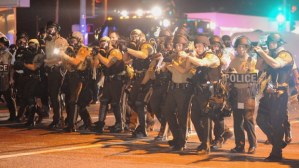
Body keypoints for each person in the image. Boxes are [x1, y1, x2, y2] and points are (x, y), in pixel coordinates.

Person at [255, 33, 294, 162]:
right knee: (260, 120)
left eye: (272, 42)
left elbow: (276, 65)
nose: (270, 45)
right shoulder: (270, 55)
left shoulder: (285, 54)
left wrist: (264, 54)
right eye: (269, 42)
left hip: (279, 95)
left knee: (277, 124)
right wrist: (260, 55)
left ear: (278, 43)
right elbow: (258, 67)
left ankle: (276, 152)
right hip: (268, 94)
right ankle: (278, 142)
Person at [185, 35, 221, 154]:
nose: (197, 48)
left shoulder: (212, 57)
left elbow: (202, 63)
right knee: (195, 117)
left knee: (207, 119)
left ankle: (207, 145)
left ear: (205, 46)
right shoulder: (199, 57)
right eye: (196, 46)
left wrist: (188, 57)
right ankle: (204, 141)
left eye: (199, 46)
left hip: (209, 93)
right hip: (198, 92)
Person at [120, 29, 155, 138]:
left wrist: (128, 49)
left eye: (136, 36)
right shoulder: (134, 48)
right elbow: (125, 60)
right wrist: (124, 49)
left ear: (141, 36)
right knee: (131, 101)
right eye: (132, 36)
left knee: (140, 102)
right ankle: (149, 119)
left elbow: (143, 55)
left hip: (146, 76)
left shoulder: (146, 45)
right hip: (137, 76)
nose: (133, 38)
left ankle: (143, 129)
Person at [228, 36, 257, 154]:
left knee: (248, 120)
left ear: (247, 48)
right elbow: (229, 76)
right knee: (237, 120)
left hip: (247, 94)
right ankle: (239, 145)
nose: (240, 49)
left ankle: (253, 145)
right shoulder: (234, 61)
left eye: (243, 47)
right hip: (237, 94)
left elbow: (254, 77)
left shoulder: (252, 61)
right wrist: (230, 73)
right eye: (238, 47)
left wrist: (239, 75)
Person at [164, 34, 193, 151]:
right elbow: (174, 71)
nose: (178, 47)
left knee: (182, 115)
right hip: (174, 88)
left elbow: (183, 70)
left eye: (180, 45)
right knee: (167, 111)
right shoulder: (175, 57)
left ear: (184, 46)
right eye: (176, 45)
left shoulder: (189, 57)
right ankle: (177, 137)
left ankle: (181, 142)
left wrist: (172, 63)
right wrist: (167, 64)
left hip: (184, 89)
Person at [60, 31, 91, 132]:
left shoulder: (84, 49)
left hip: (81, 78)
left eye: (74, 39)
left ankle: (71, 125)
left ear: (79, 39)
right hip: (70, 76)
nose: (72, 41)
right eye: (71, 39)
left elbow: (76, 62)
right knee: (75, 102)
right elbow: (65, 63)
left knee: (75, 100)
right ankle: (87, 123)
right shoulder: (70, 49)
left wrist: (64, 56)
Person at [95, 36, 126, 133]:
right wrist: (96, 55)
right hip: (108, 79)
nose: (102, 44)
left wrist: (98, 55)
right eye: (101, 42)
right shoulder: (104, 52)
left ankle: (119, 124)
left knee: (115, 102)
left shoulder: (115, 52)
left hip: (117, 79)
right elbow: (96, 65)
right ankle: (100, 124)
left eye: (104, 42)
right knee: (104, 101)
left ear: (109, 43)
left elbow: (108, 63)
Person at [44, 21, 68, 129]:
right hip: (50, 70)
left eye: (52, 28)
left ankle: (62, 119)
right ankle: (57, 118)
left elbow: (60, 57)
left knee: (59, 95)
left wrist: (48, 62)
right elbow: (47, 55)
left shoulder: (61, 41)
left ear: (57, 29)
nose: (50, 30)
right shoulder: (47, 40)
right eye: (48, 28)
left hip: (59, 70)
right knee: (53, 95)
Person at [22, 39, 45, 127]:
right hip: (28, 78)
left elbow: (34, 67)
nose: (31, 46)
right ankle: (40, 114)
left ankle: (31, 120)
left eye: (33, 45)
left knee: (31, 99)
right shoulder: (28, 53)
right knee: (28, 98)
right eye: (30, 45)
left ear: (37, 45)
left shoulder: (40, 54)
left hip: (37, 79)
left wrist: (23, 64)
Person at [0, 36, 17, 121]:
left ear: (5, 44)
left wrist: (11, 78)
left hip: (6, 78)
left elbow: (11, 68)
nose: (0, 45)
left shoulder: (9, 55)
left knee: (9, 97)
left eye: (1, 44)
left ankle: (13, 115)